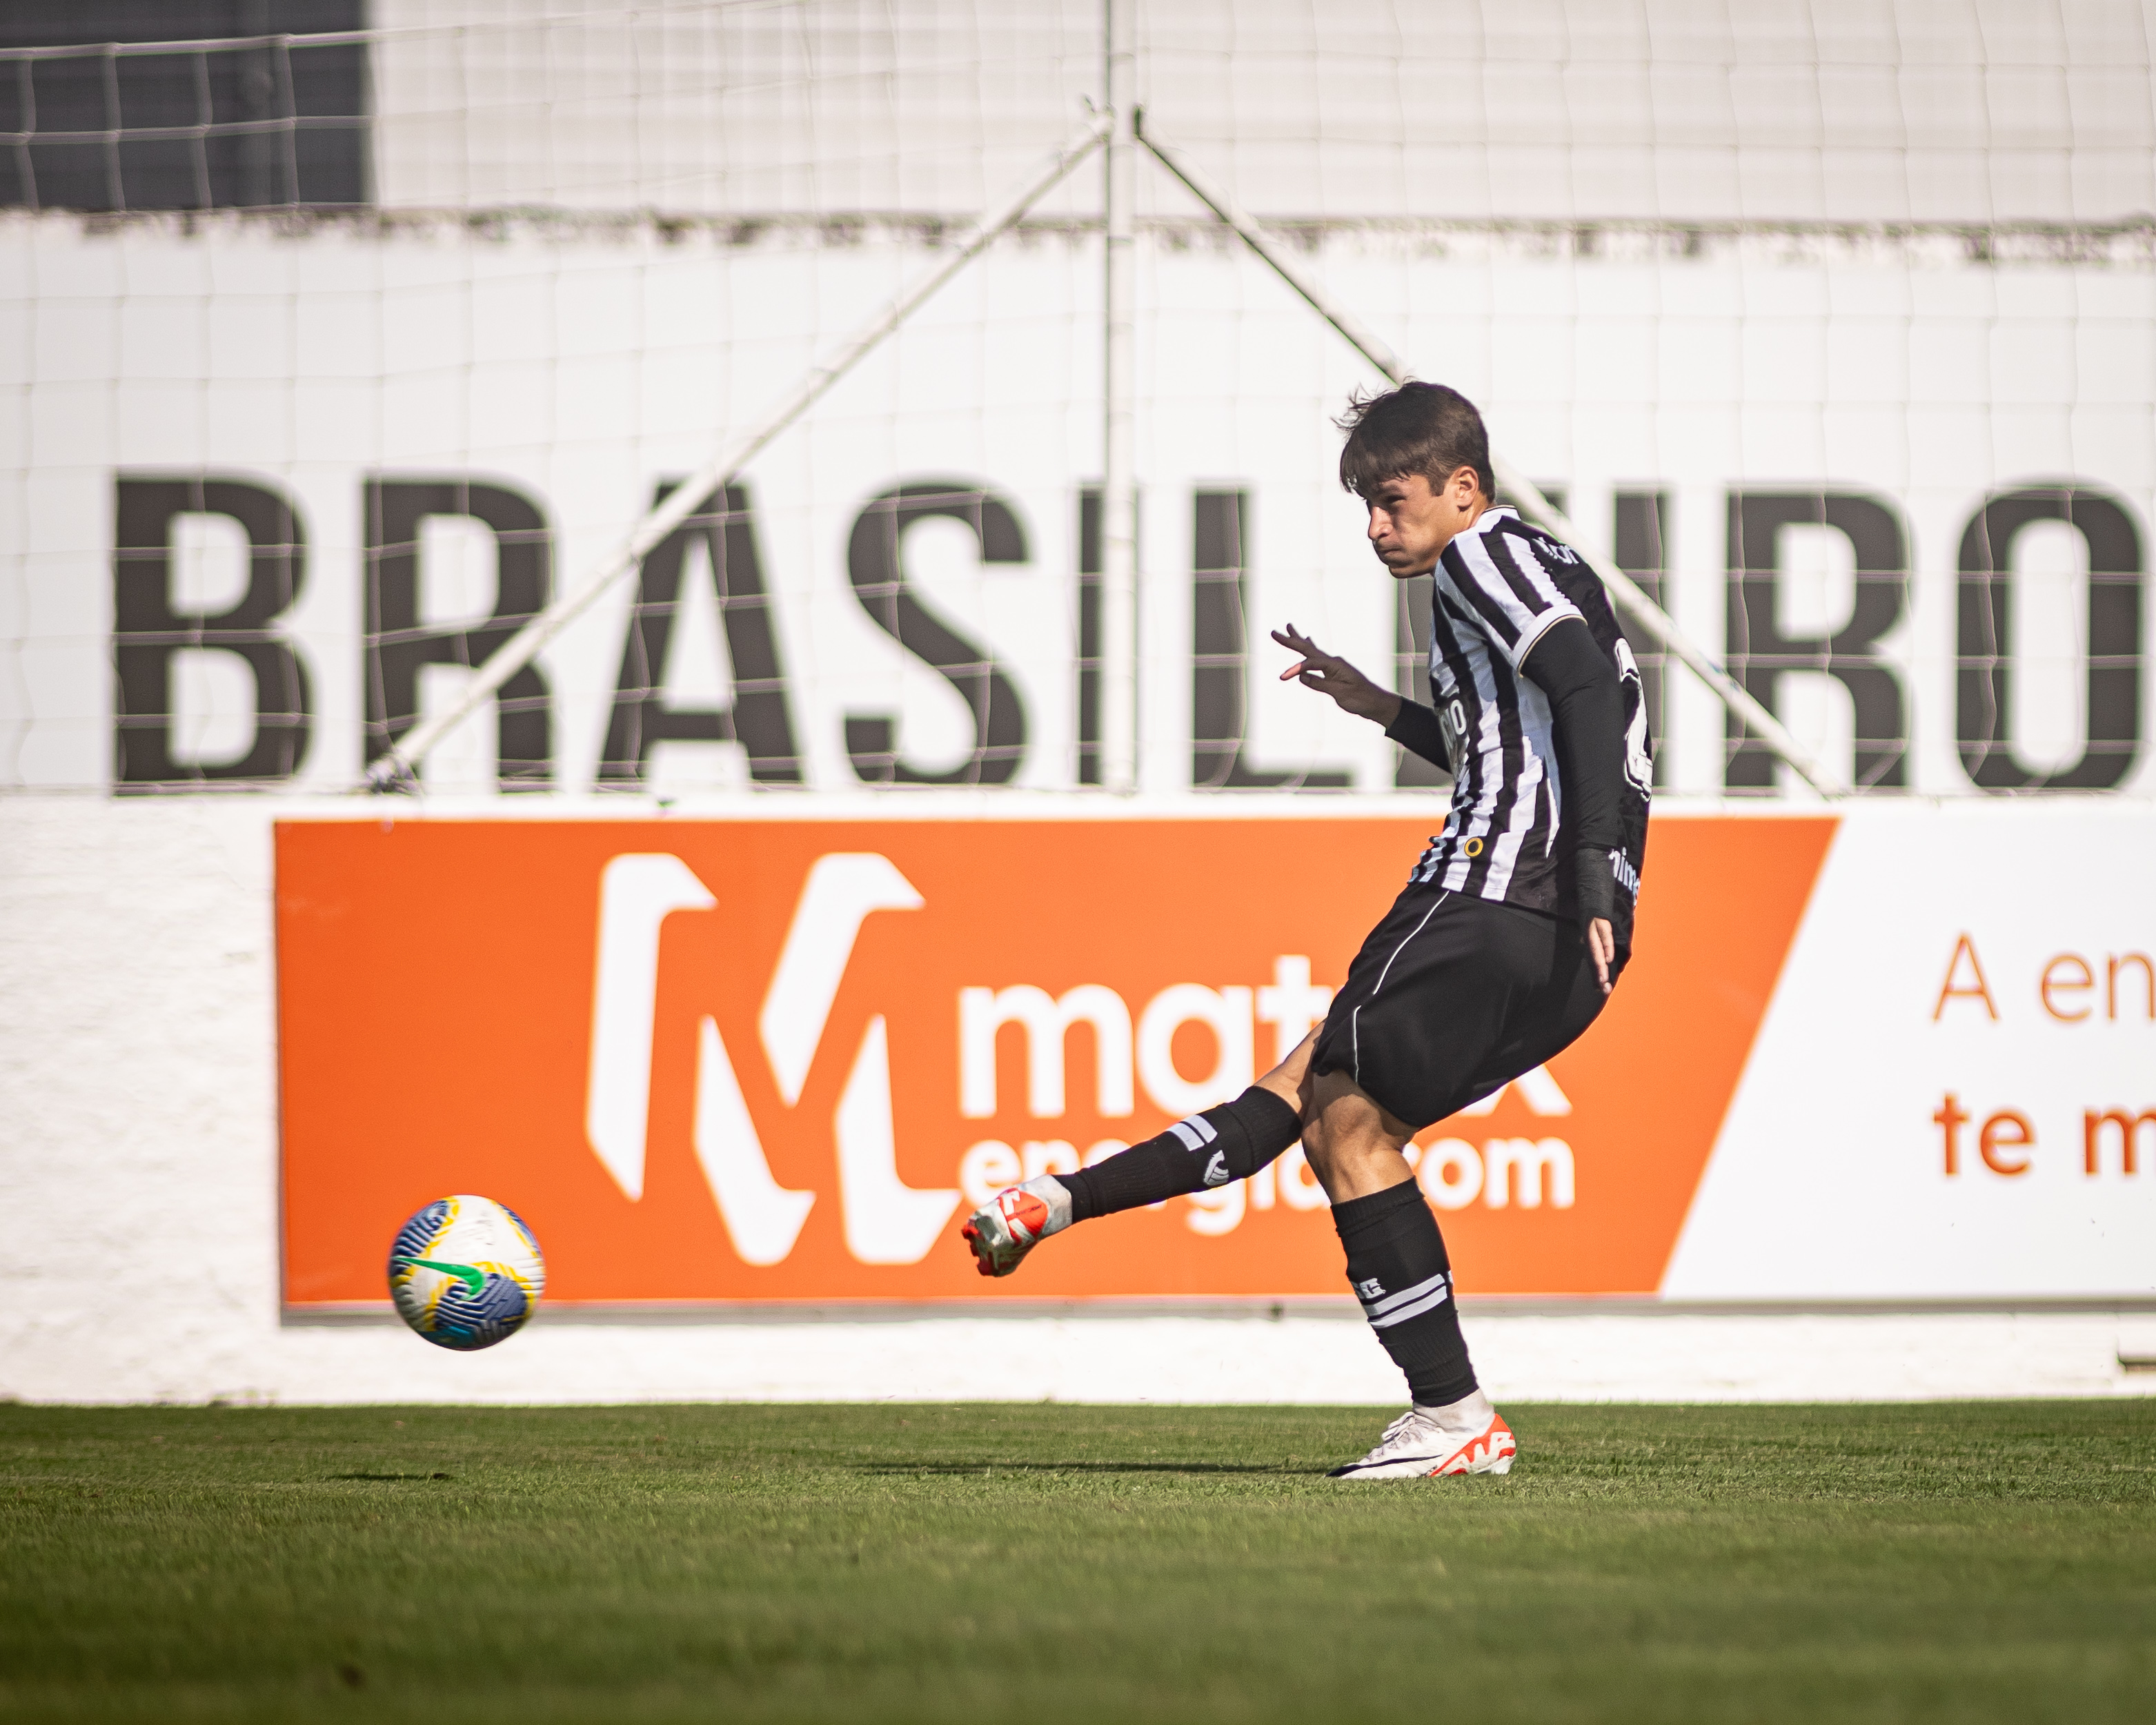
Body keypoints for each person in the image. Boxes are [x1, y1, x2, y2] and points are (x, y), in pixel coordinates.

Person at [961, 382, 1651, 1479]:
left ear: (1462, 488)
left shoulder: (1483, 556)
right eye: (1367, 507)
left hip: (1489, 888)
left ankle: (1451, 1415)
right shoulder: (1539, 568)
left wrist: (1586, 865)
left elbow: (1578, 689)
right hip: (1565, 947)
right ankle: (1053, 1203)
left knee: (1334, 1120)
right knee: (1323, 1107)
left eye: (1392, 500)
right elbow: (1522, 731)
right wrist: (1381, 708)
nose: (1378, 527)